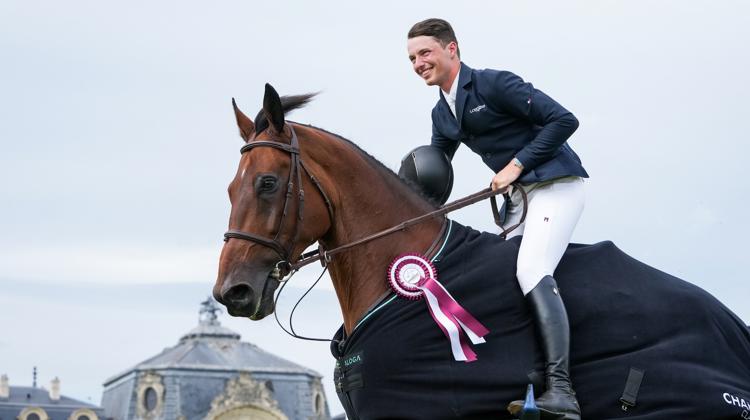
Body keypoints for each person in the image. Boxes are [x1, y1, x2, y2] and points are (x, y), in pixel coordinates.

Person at [407, 18, 587, 420]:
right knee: (500, 276)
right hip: (522, 199)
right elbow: (436, 174)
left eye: (425, 53)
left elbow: (564, 120)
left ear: (451, 49)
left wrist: (515, 165)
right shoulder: (443, 115)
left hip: (557, 184)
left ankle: (562, 391)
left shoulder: (494, 84)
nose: (419, 63)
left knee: (530, 269)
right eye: (412, 58)